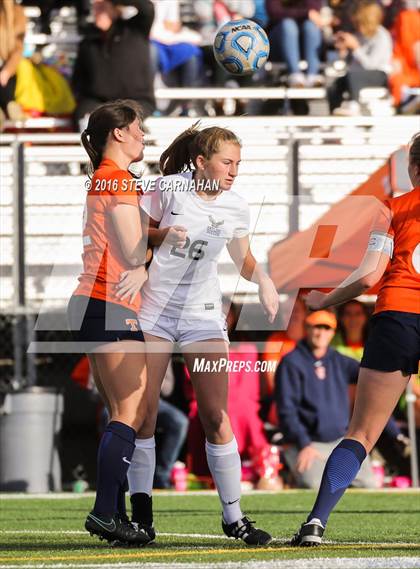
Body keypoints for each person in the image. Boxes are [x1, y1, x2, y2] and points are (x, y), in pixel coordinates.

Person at [125, 123, 279, 545]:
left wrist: (262, 280)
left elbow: (242, 257)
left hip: (203, 314)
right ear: (200, 162)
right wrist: (158, 239)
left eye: (238, 164)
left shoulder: (235, 206)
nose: (234, 172)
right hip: (156, 310)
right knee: (144, 415)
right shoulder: (168, 188)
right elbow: (132, 235)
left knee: (216, 415)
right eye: (227, 162)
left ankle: (234, 517)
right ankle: (141, 517)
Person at [290, 131, 420, 546]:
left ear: (413, 168)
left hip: (398, 315)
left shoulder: (392, 208)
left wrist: (323, 300)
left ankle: (315, 523)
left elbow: (368, 276)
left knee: (362, 433)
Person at [67, 99, 151, 546]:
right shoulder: (116, 178)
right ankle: (104, 512)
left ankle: (115, 516)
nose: (142, 133)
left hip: (92, 300)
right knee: (131, 410)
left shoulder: (102, 177)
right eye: (137, 127)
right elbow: (134, 250)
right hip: (108, 301)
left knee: (119, 411)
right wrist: (151, 256)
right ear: (117, 133)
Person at [275, 310, 377, 490]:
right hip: (308, 444)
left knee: (369, 485)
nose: (321, 333)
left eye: (326, 328)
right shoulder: (291, 362)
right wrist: (304, 444)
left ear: (333, 332)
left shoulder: (339, 360)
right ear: (307, 328)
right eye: (316, 327)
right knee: (314, 485)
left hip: (341, 441)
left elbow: (371, 376)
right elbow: (286, 410)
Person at [72, 0, 155, 129]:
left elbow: (147, 8)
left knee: (123, 121)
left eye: (103, 7)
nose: (97, 12)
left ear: (115, 9)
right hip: (98, 102)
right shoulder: (88, 41)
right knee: (85, 118)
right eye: (96, 8)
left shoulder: (135, 29)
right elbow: (78, 79)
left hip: (136, 100)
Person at [329, 0, 393, 116]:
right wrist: (343, 51)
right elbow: (352, 64)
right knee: (335, 85)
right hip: (358, 75)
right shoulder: (358, 36)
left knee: (353, 76)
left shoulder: (382, 36)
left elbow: (371, 65)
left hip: (379, 75)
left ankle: (354, 105)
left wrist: (356, 47)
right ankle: (334, 110)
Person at [266, 0, 324, 87]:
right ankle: (295, 74)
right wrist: (305, 13)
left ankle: (313, 74)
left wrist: (305, 13)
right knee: (288, 25)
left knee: (311, 27)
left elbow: (314, 10)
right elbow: (275, 12)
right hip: (278, 43)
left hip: (303, 43)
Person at [0, 0, 26, 128]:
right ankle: (8, 103)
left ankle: (8, 104)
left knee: (7, 77)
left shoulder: (17, 12)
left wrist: (7, 70)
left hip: (8, 68)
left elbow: (18, 49)